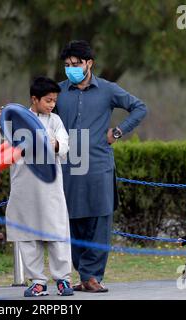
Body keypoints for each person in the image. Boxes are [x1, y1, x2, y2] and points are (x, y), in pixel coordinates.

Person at [55, 40, 148, 292]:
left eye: (76, 64)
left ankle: (92, 276)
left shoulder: (107, 89)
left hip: (98, 162)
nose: (71, 68)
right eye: (67, 65)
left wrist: (118, 131)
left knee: (100, 218)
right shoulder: (58, 92)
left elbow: (139, 108)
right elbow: (37, 113)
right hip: (69, 164)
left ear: (89, 64)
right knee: (72, 220)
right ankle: (84, 273)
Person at [0, 76, 73, 297]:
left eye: (54, 101)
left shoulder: (55, 121)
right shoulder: (15, 120)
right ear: (34, 99)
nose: (52, 105)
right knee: (27, 235)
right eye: (48, 100)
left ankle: (63, 279)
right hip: (23, 186)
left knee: (57, 233)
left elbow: (64, 147)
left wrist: (51, 142)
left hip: (50, 187)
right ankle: (37, 281)